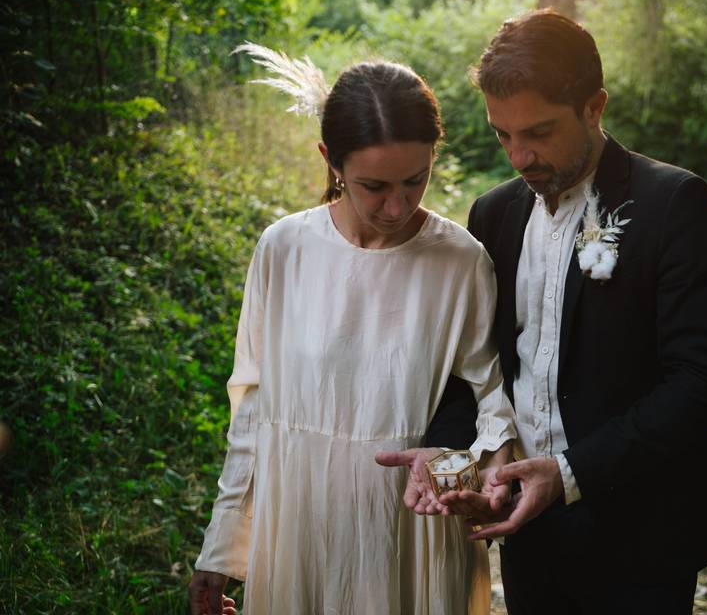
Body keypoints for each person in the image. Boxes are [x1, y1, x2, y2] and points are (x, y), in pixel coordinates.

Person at [434, 9, 707, 613]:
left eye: (539, 132)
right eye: (502, 134)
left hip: (643, 531)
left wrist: (570, 473)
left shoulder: (675, 203)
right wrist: (464, 459)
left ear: (594, 107)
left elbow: (705, 382)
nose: (518, 156)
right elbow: (479, 361)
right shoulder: (492, 214)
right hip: (528, 531)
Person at [187, 44, 516, 615]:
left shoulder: (461, 261)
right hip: (300, 527)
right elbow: (254, 412)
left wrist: (454, 473)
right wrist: (221, 551)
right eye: (374, 187)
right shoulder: (283, 249)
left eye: (416, 180)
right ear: (330, 161)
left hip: (411, 534)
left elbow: (492, 403)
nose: (398, 206)